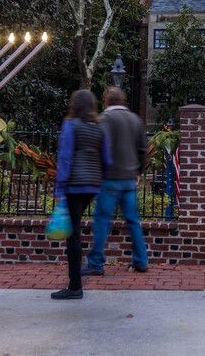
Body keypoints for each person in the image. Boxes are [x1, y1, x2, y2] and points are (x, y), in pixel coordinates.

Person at [81, 87, 149, 276]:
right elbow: (144, 150)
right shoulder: (136, 120)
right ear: (124, 101)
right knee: (133, 221)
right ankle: (141, 261)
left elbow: (98, 148)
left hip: (109, 179)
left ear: (106, 101)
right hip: (129, 179)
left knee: (102, 221)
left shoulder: (103, 120)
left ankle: (96, 263)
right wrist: (138, 171)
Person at [51, 89, 111, 300]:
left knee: (73, 236)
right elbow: (107, 160)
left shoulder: (70, 125)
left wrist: (60, 188)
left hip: (74, 185)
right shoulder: (99, 129)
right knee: (74, 232)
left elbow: (65, 157)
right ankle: (75, 284)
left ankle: (75, 286)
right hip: (92, 186)